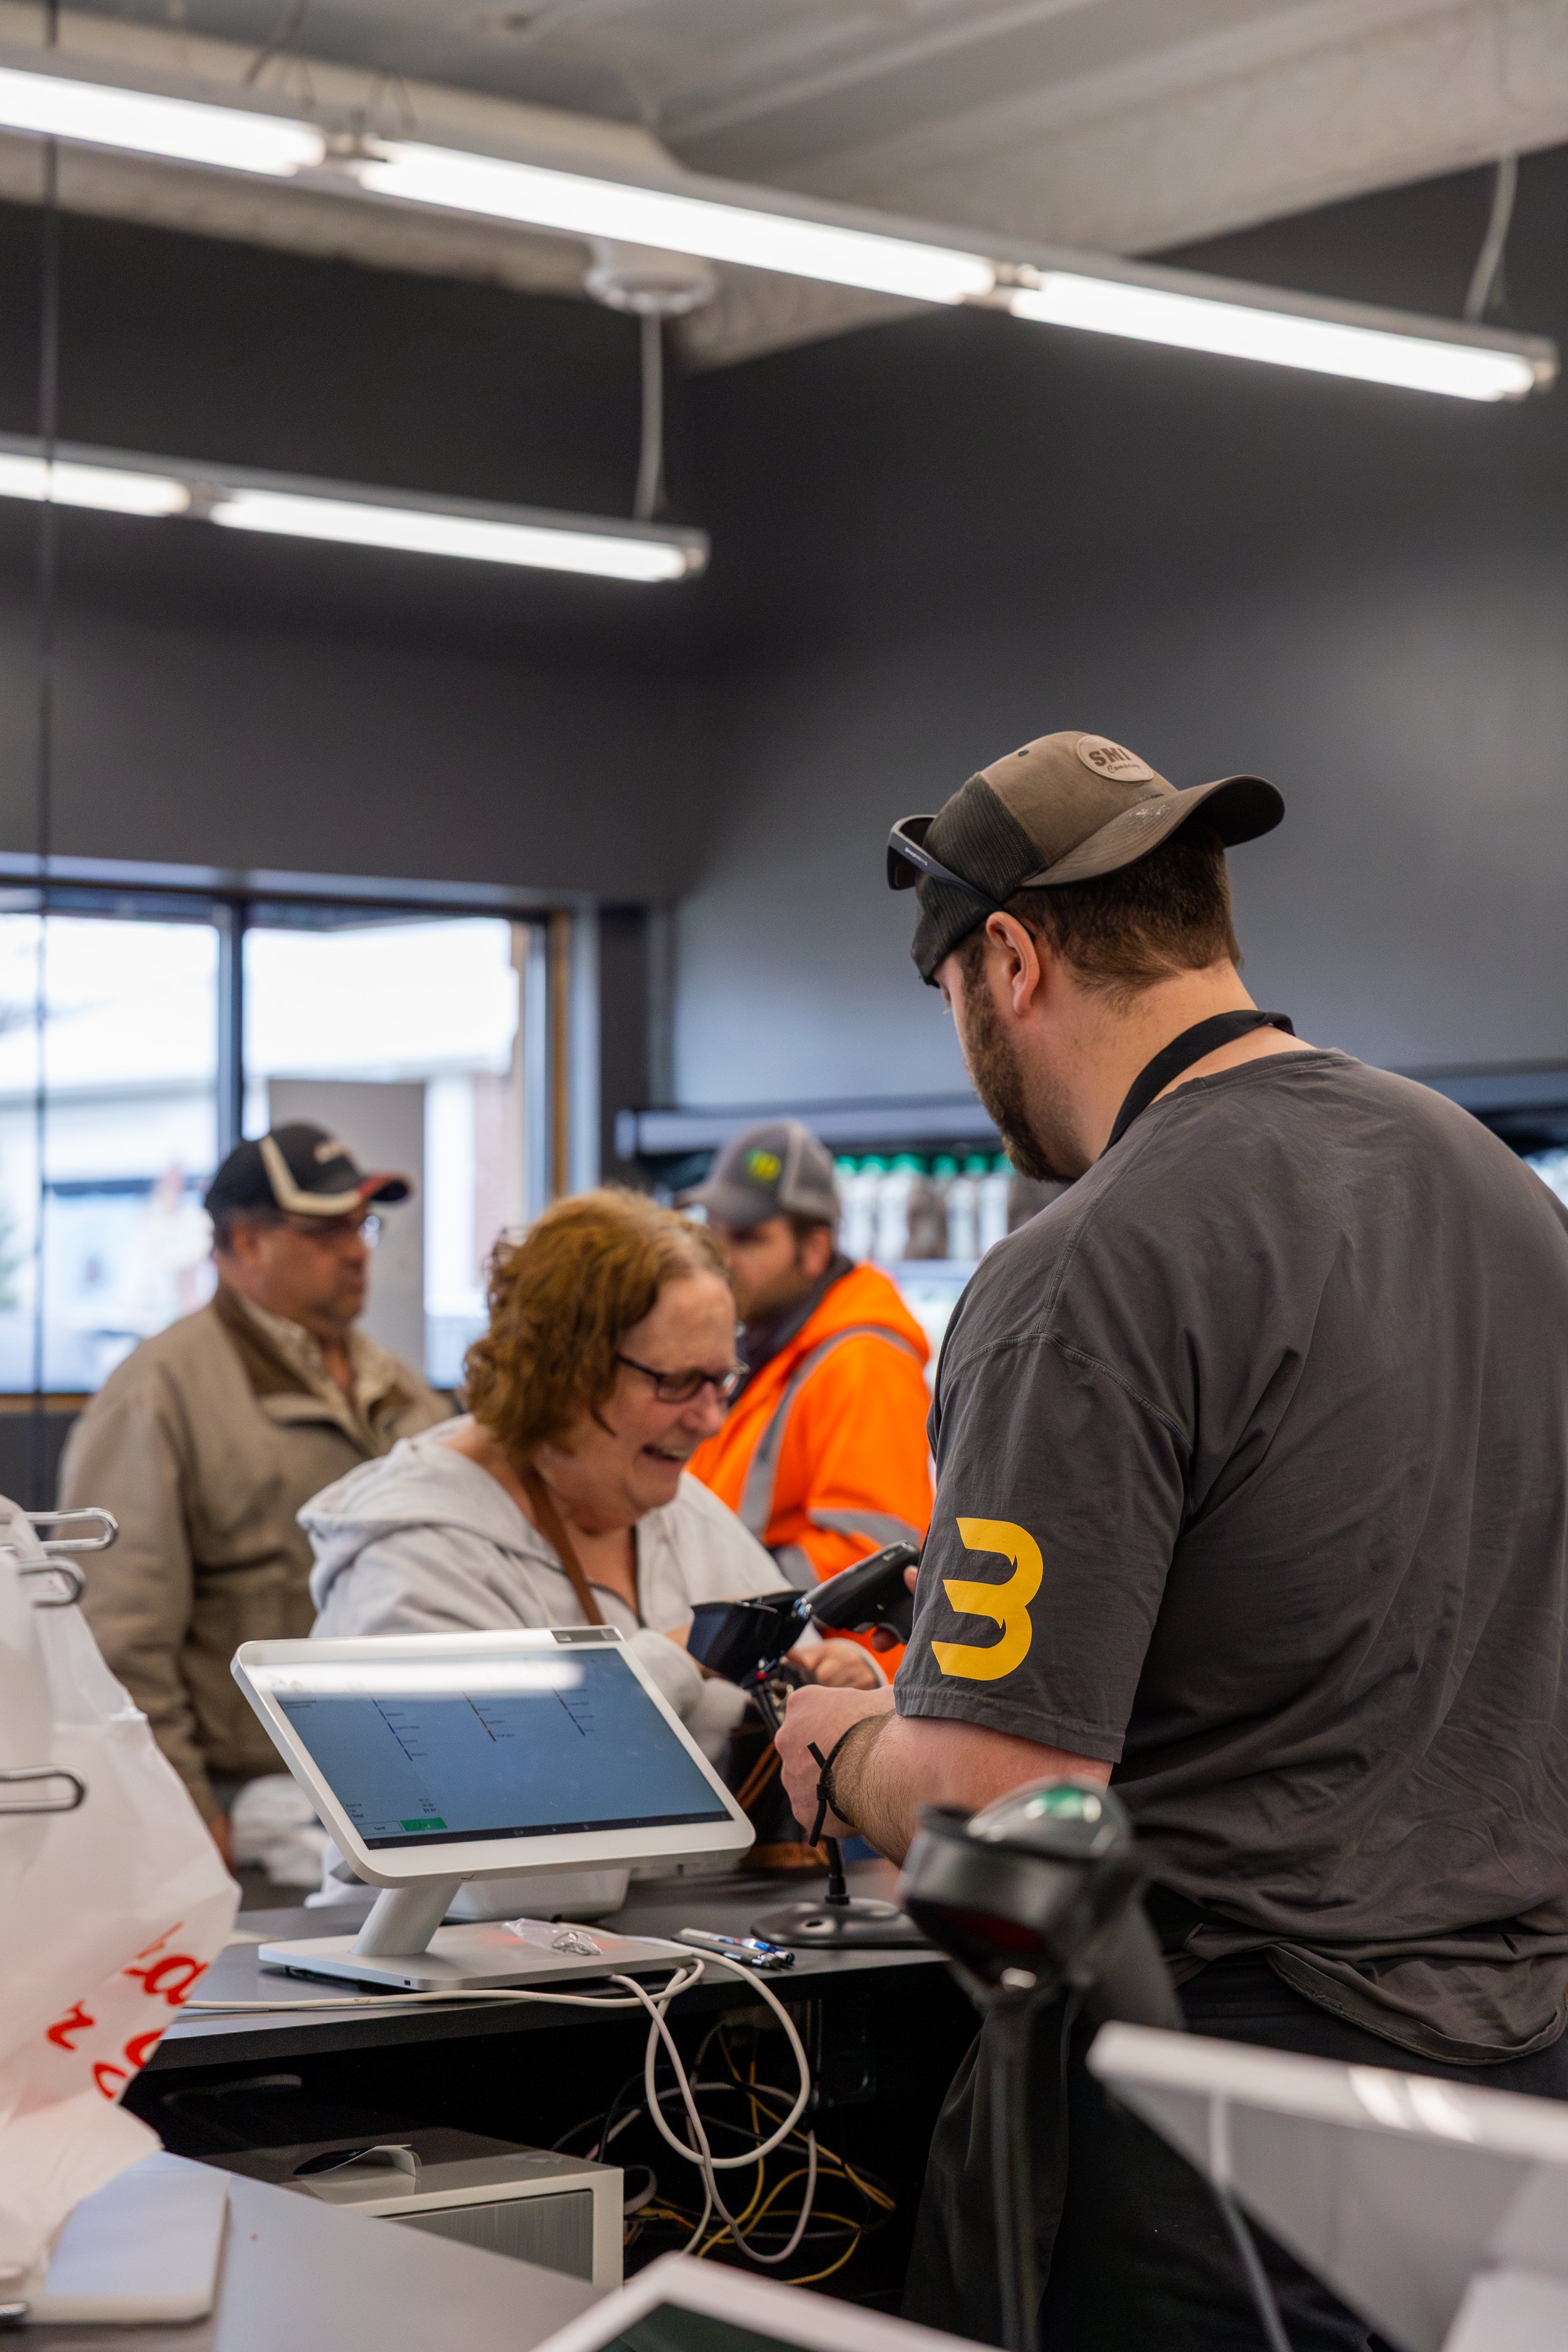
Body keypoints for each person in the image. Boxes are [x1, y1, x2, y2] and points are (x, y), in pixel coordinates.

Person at [775, 728, 1568, 2350]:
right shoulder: (1497, 1192)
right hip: (1519, 2079)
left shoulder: (1084, 1264)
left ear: (1006, 955)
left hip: (1230, 2100)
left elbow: (1006, 1797)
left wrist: (850, 1737)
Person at [304, 1187, 878, 1776]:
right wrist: (687, 1655)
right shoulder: (414, 1550)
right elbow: (469, 1784)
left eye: (721, 1380)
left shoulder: (679, 1511)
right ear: (563, 1371)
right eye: (678, 1382)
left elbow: (788, 1674)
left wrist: (833, 1684)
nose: (710, 1420)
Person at [61, 1124, 446, 1860]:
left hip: (407, 1792)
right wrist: (182, 1809)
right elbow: (117, 1641)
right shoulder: (157, 1394)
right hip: (251, 1815)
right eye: (324, 1230)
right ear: (244, 1245)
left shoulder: (403, 1392)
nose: (358, 1250)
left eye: (360, 1225)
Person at [684, 1121, 934, 1671]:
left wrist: (729, 1607)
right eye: (713, 1232)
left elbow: (871, 1556)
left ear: (814, 1249)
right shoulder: (767, 1351)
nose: (720, 1256)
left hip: (831, 1695)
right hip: (764, 1676)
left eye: (747, 1238)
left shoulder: (863, 1361)